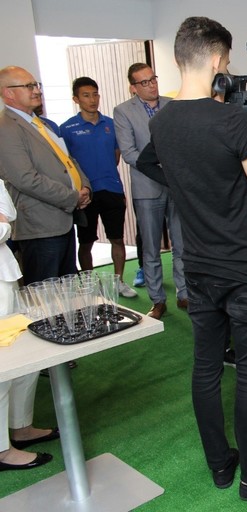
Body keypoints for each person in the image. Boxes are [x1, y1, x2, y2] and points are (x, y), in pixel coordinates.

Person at [147, 16, 247, 500]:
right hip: (243, 268)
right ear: (218, 60)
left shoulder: (160, 122)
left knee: (206, 368)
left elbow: (171, 168)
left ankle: (220, 465)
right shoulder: (232, 122)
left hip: (196, 265)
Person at [0, 66, 91, 285]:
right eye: (28, 86)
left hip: (62, 220)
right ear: (8, 92)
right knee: (46, 295)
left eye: (36, 85)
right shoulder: (6, 127)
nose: (37, 90)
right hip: (39, 226)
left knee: (67, 290)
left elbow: (67, 160)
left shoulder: (39, 123)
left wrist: (85, 186)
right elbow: (25, 178)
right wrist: (72, 196)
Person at [114, 63, 187, 319]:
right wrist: (161, 171)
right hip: (147, 187)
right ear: (133, 87)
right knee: (151, 249)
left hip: (176, 185)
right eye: (144, 82)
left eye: (153, 79)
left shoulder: (173, 105)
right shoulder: (123, 111)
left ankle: (184, 293)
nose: (151, 85)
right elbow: (129, 153)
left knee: (182, 244)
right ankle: (157, 300)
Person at [60, 76, 137, 298]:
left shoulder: (111, 124)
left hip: (112, 190)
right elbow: (66, 163)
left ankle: (119, 281)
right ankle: (89, 284)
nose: (92, 100)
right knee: (86, 242)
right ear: (76, 99)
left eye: (95, 94)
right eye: (86, 95)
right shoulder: (67, 129)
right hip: (85, 195)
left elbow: (116, 155)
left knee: (117, 239)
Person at [0, 177, 58, 472]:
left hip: (6, 276)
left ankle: (21, 426)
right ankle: (1, 449)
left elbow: (8, 214)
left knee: (25, 350)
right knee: (2, 363)